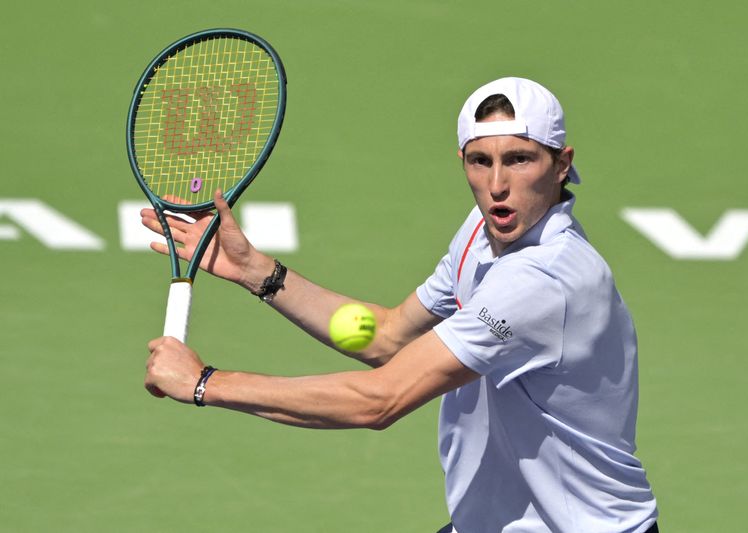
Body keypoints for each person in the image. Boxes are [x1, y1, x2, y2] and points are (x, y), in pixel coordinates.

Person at [142, 77, 659, 532]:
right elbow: (387, 336)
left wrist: (205, 383)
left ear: (561, 163)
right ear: (463, 162)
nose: (497, 185)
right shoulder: (483, 233)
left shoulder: (544, 280)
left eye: (519, 160)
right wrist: (257, 272)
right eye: (482, 161)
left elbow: (378, 401)